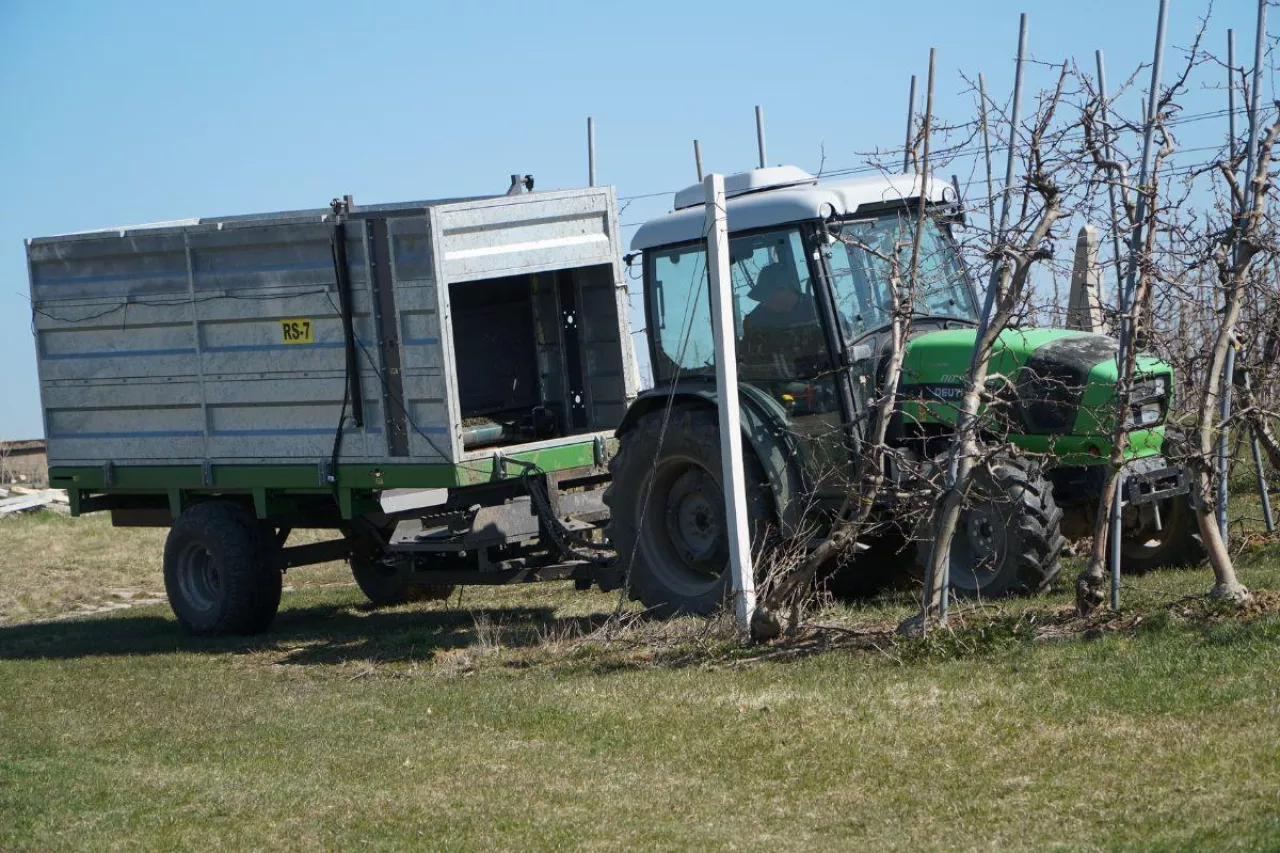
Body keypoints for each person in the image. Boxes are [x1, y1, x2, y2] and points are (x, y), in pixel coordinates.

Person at [740, 262, 826, 383]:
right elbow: (751, 365)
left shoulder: (820, 310)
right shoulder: (756, 320)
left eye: (768, 296)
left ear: (785, 289)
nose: (765, 302)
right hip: (778, 390)